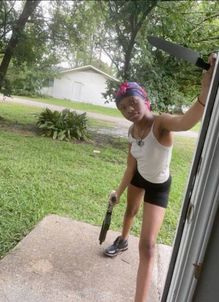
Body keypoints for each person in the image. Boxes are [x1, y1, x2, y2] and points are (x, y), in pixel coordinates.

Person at [104, 53, 217, 302]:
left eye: (133, 102)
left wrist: (205, 90)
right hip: (139, 178)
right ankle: (122, 239)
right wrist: (118, 193)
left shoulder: (161, 123)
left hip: (158, 186)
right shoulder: (132, 131)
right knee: (129, 213)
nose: (129, 110)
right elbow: (130, 167)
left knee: (147, 246)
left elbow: (186, 122)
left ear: (145, 100)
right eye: (123, 108)